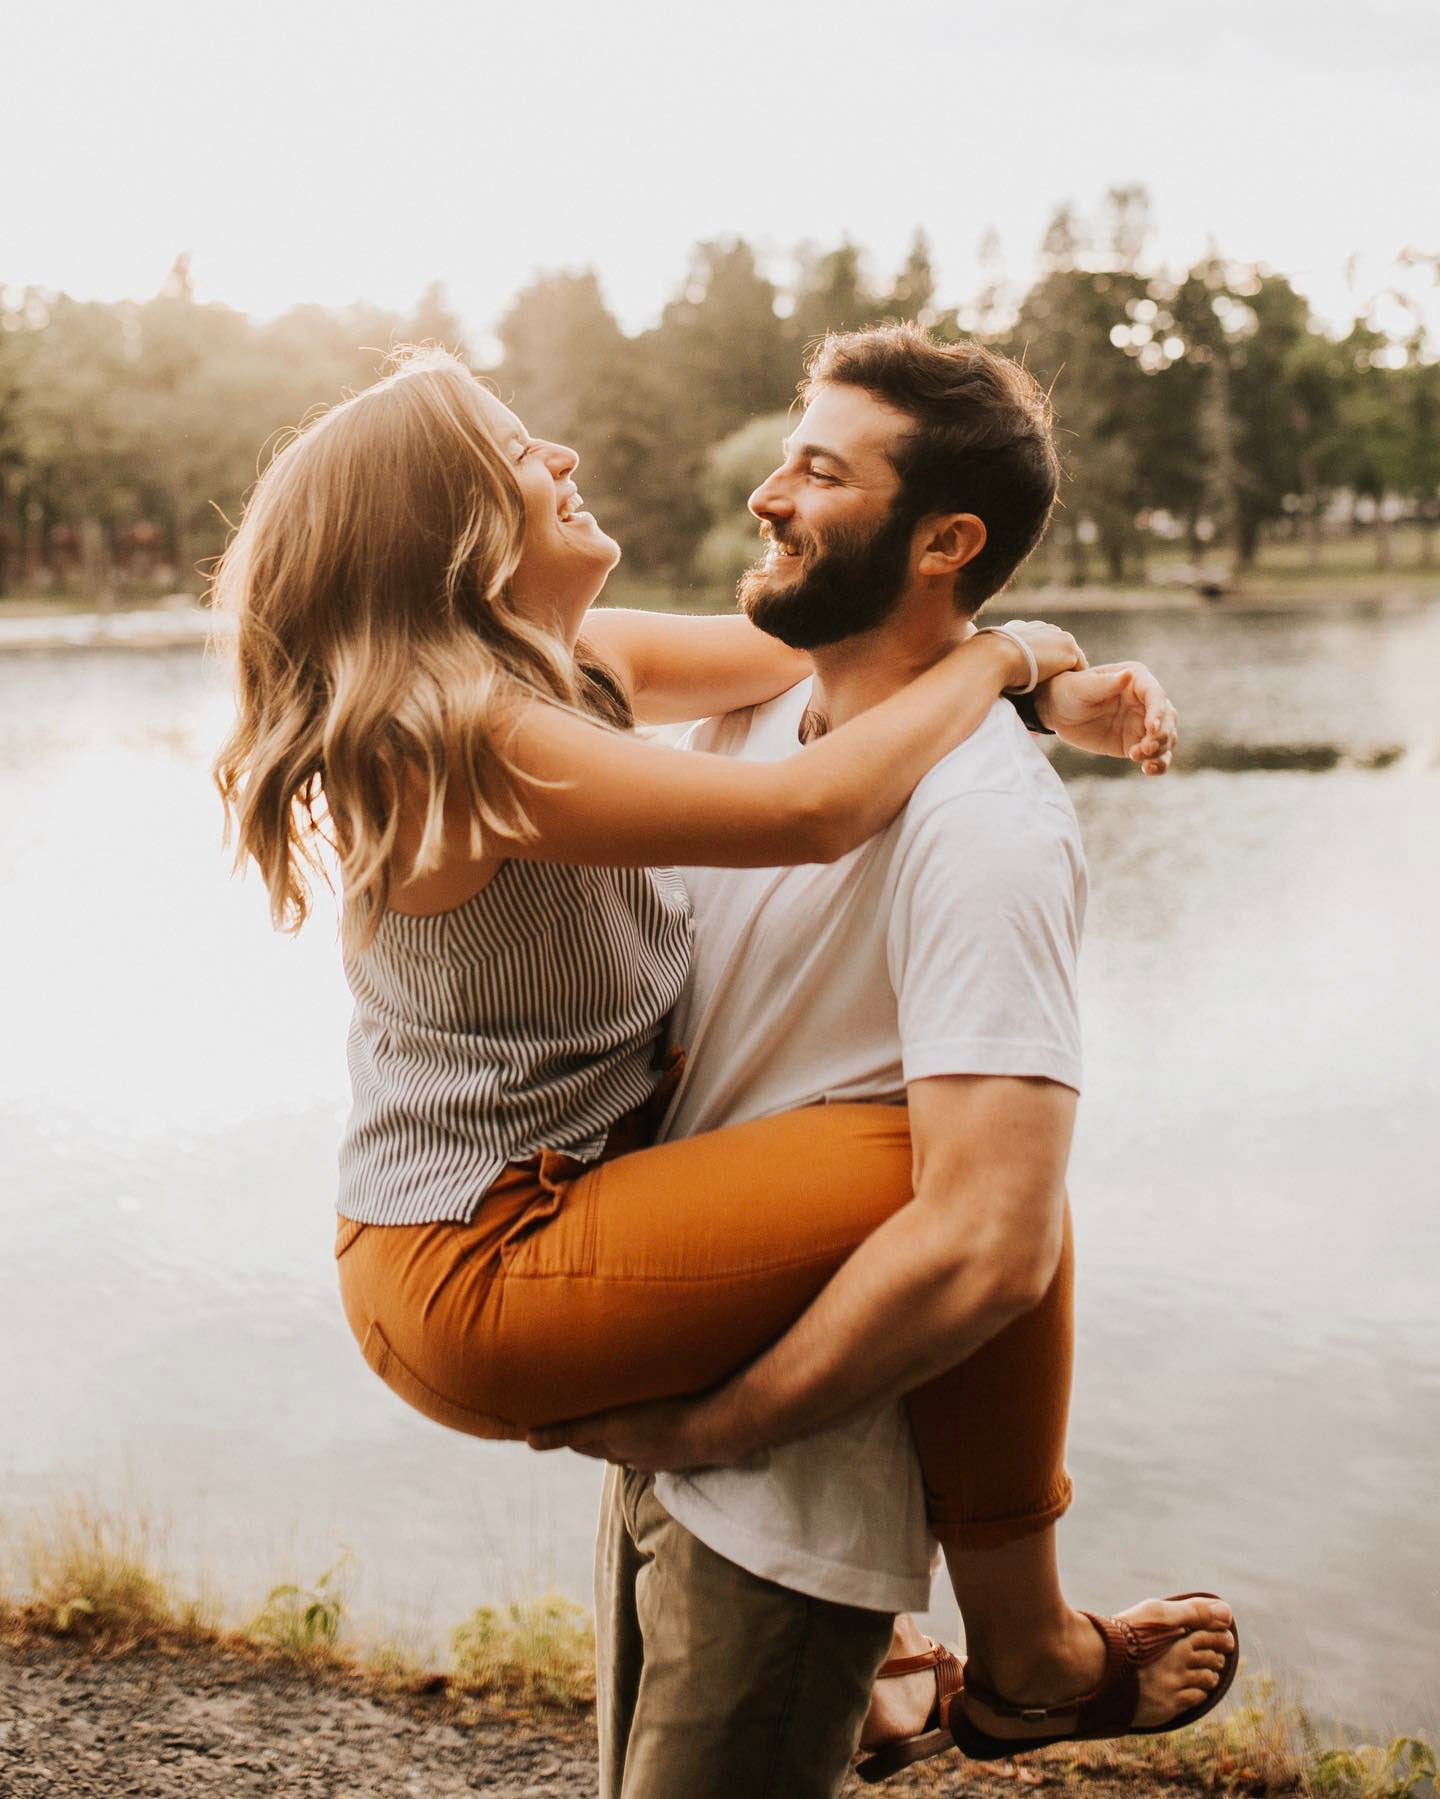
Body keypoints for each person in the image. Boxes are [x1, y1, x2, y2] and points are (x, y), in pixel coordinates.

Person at [210, 339, 1233, 1795]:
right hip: (476, 1259)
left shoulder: (580, 665)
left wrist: (1017, 693)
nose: (561, 458)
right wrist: (1015, 655)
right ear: (447, 532)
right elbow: (818, 807)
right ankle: (1030, 1653)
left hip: (539, 1210)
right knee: (971, 1185)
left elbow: (835, 640)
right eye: (519, 452)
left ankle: (899, 1662)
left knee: (979, 1185)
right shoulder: (467, 739)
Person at [526, 325, 1239, 1795]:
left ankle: (979, 1664)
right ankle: (929, 1680)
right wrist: (1029, 662)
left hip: (794, 1490)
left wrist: (723, 1426)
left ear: (945, 539)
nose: (766, 495)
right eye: (786, 455)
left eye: (817, 471)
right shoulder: (752, 717)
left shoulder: (985, 828)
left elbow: (990, 1243)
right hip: (674, 1445)